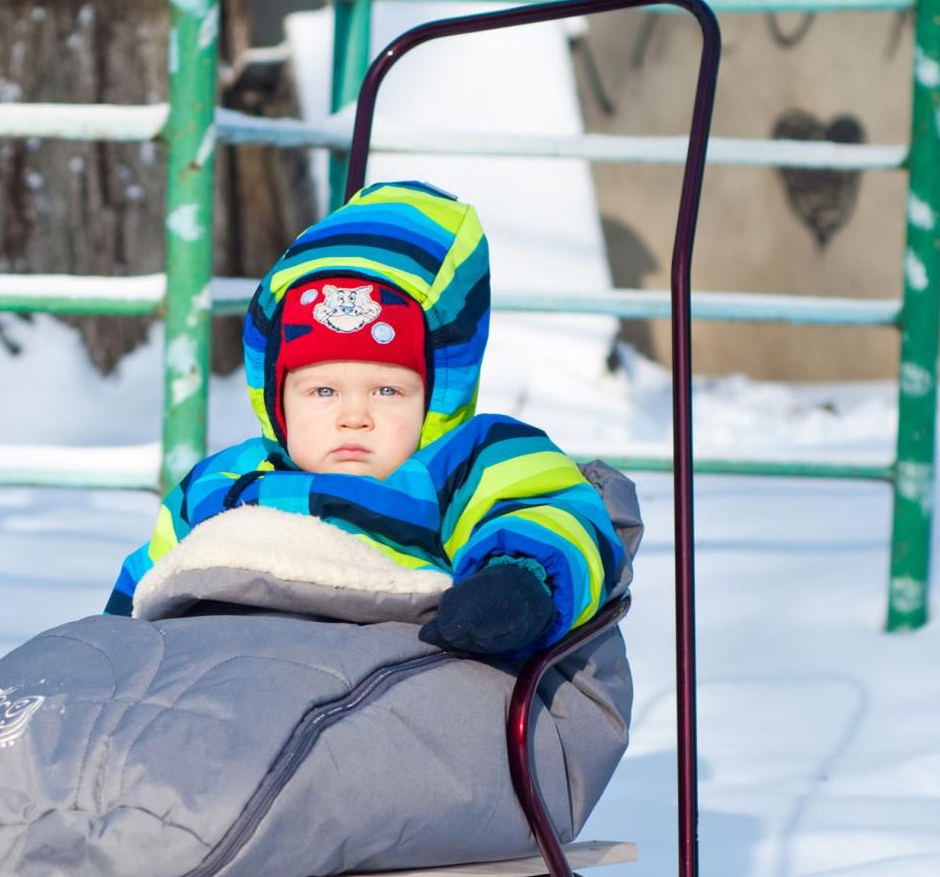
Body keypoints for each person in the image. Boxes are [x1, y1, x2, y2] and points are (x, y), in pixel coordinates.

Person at [106, 179, 623, 658]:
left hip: (377, 681)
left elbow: (547, 511)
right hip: (217, 673)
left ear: (436, 396)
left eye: (387, 390)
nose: (355, 416)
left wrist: (516, 582)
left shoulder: (466, 464)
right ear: (277, 398)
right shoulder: (221, 480)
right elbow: (144, 584)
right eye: (323, 390)